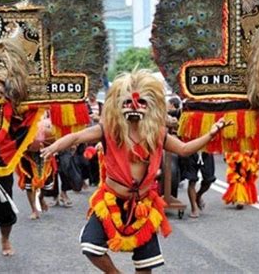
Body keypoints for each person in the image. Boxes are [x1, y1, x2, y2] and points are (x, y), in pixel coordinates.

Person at [41, 70, 233, 273]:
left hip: (143, 206)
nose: (134, 106)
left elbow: (184, 149)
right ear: (118, 105)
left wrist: (210, 135)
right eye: (128, 102)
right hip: (111, 201)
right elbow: (76, 138)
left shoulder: (157, 134)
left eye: (141, 102)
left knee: (145, 265)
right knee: (91, 246)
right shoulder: (110, 131)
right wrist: (54, 147)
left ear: (149, 106)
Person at [17, 111, 57, 219]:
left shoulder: (49, 109)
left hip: (45, 151)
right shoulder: (24, 109)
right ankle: (34, 209)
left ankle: (40, 198)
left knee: (45, 182)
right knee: (29, 182)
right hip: (27, 153)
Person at [180, 151, 215, 218]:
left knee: (209, 180)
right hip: (191, 149)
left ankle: (198, 195)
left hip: (206, 150)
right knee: (192, 180)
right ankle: (194, 208)